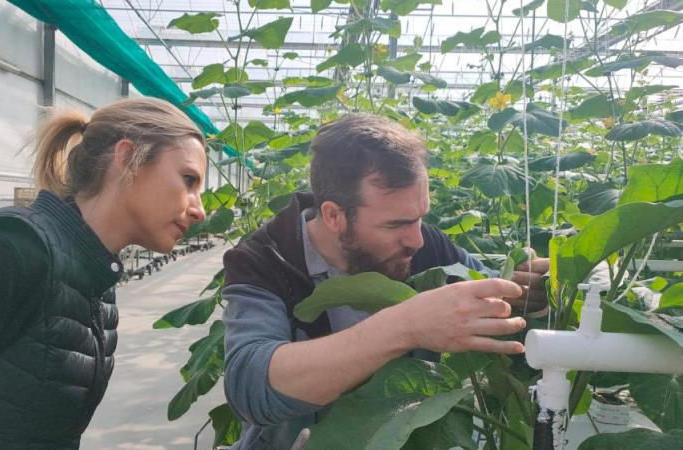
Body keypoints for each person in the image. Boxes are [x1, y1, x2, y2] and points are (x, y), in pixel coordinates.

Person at [0, 97, 207, 448]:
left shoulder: (97, 282)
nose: (200, 210)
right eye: (188, 180)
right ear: (126, 157)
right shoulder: (9, 250)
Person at [221, 114, 549, 449]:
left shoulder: (423, 246)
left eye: (420, 217)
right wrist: (407, 325)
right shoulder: (267, 259)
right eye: (396, 225)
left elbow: (492, 297)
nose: (417, 240)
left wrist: (527, 293)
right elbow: (250, 387)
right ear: (334, 215)